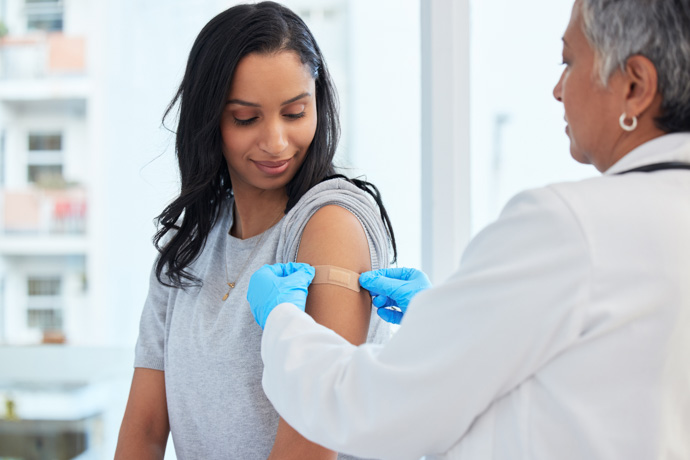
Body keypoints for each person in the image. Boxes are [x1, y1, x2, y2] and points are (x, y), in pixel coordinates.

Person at [246, 0, 690, 458]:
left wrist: (284, 325)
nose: (558, 90)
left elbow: (377, 410)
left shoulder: (571, 226)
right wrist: (440, 321)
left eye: (569, 61)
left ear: (635, 86)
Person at [114, 2, 397, 459]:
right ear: (209, 120)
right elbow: (144, 429)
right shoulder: (187, 247)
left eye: (294, 113)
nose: (276, 142)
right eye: (246, 118)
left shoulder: (330, 223)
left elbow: (311, 440)